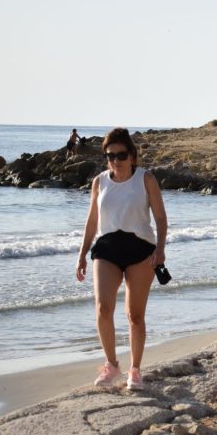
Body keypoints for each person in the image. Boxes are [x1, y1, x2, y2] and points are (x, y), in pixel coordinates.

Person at [75, 128, 168, 390]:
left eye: (121, 154)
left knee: (134, 315)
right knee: (103, 308)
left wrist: (160, 249)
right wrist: (82, 254)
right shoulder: (100, 182)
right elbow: (92, 222)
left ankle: (135, 370)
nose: (116, 160)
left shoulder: (145, 179)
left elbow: (160, 218)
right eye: (110, 156)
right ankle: (111, 365)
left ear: (133, 156)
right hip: (107, 248)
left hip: (141, 250)